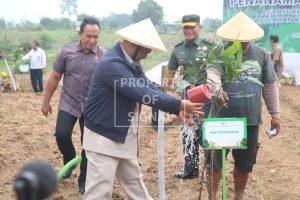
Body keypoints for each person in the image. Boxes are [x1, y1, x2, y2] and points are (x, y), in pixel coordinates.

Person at [82, 18, 203, 200]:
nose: (146, 55)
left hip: (121, 135)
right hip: (104, 139)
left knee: (134, 183)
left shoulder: (131, 63)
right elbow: (141, 91)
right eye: (146, 50)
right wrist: (177, 104)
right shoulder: (112, 64)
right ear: (133, 44)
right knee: (98, 193)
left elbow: (148, 85)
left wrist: (177, 109)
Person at [206, 11, 280, 200]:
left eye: (245, 40)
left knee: (244, 164)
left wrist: (275, 114)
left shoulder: (262, 55)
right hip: (220, 121)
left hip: (249, 121)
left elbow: (270, 85)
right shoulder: (218, 53)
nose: (241, 43)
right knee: (214, 163)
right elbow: (212, 75)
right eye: (236, 39)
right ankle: (212, 196)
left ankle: (239, 196)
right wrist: (217, 90)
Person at [41, 17, 106, 194]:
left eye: (96, 37)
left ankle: (84, 180)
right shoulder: (67, 53)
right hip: (69, 102)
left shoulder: (104, 56)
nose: (92, 40)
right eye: (88, 36)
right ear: (80, 33)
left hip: (93, 106)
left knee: (89, 145)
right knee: (61, 134)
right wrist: (46, 102)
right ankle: (69, 158)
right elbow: (54, 77)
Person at [167, 14, 214, 179]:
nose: (188, 30)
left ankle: (211, 168)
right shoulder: (178, 49)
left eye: (191, 27)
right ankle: (191, 170)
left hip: (208, 99)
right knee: (188, 131)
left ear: (199, 27)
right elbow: (170, 72)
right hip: (187, 99)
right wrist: (169, 86)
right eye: (185, 27)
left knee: (207, 132)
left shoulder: (210, 47)